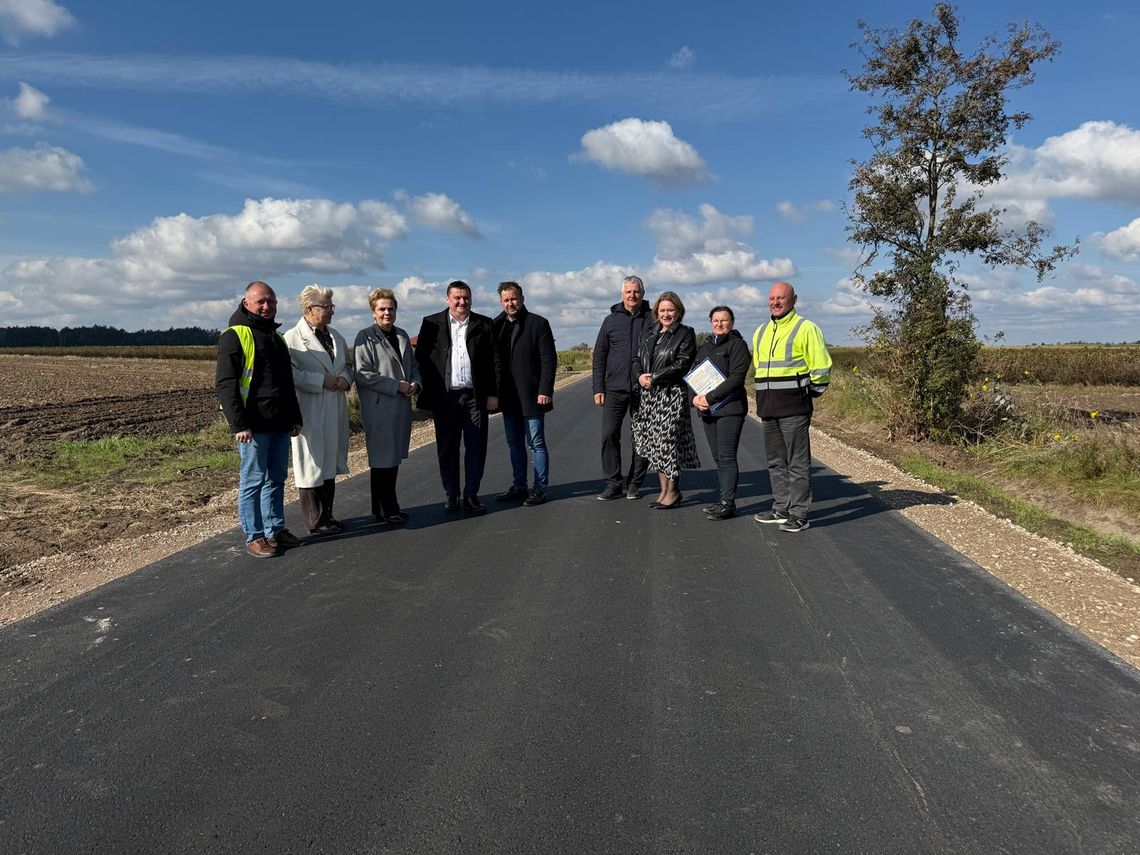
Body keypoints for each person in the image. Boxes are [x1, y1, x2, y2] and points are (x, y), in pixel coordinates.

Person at [215, 281, 304, 558]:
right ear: (246, 303)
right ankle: (254, 536)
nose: (267, 307)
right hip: (253, 426)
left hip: (279, 422)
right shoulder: (235, 335)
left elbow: (286, 384)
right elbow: (226, 383)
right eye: (261, 302)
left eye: (272, 302)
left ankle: (275, 530)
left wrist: (295, 417)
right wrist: (238, 424)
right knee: (253, 480)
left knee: (276, 478)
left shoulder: (276, 339)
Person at [751, 281, 832, 533]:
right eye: (772, 298)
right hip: (768, 407)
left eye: (781, 298)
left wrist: (806, 395)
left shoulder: (806, 328)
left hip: (794, 409)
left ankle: (799, 514)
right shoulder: (761, 331)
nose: (776, 302)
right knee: (776, 461)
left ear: (793, 300)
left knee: (797, 462)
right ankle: (780, 508)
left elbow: (821, 368)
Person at [414, 280, 500, 514]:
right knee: (447, 449)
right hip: (446, 398)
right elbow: (422, 360)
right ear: (448, 299)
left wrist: (492, 393)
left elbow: (494, 362)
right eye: (457, 298)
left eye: (466, 298)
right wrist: (429, 395)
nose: (462, 302)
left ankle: (471, 495)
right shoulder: (431, 324)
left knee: (476, 448)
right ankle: (452, 495)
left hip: (475, 397)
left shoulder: (484, 323)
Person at [284, 285, 353, 535]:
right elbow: (290, 373)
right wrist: (319, 380)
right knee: (311, 464)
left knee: (330, 461)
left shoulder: (336, 337)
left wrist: (345, 379)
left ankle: (329, 514)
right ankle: (315, 520)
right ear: (309, 308)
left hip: (334, 404)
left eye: (331, 306)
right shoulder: (292, 338)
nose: (331, 311)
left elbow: (346, 365)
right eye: (326, 307)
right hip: (311, 407)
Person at [354, 288, 422, 524]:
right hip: (380, 407)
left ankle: (388, 507)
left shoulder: (402, 335)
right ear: (373, 312)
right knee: (382, 460)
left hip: (401, 407)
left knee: (392, 459)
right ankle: (384, 509)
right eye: (382, 309)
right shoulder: (365, 337)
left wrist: (415, 383)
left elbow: (413, 366)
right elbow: (363, 374)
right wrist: (396, 386)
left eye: (390, 308)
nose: (387, 313)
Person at [631, 291, 699, 509]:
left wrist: (655, 378)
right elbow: (636, 359)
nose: (666, 314)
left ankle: (673, 491)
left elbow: (682, 363)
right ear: (656, 312)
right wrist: (640, 376)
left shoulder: (686, 333)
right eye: (662, 310)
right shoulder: (650, 334)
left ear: (678, 311)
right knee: (655, 445)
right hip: (648, 397)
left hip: (671, 395)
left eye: (670, 310)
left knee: (668, 443)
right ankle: (663, 491)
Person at [492, 281, 557, 506]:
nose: (511, 303)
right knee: (514, 443)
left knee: (536, 443)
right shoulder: (496, 325)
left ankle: (540, 488)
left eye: (514, 298)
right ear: (501, 302)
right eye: (506, 300)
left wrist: (545, 390)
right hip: (508, 397)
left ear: (522, 298)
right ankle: (519, 485)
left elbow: (549, 360)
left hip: (532, 395)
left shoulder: (538, 323)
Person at [592, 274, 652, 500]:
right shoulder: (610, 321)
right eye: (628, 292)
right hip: (614, 388)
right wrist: (598, 387)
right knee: (608, 434)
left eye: (636, 291)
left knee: (641, 438)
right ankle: (612, 483)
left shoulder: (652, 318)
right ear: (621, 295)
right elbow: (600, 355)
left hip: (644, 389)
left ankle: (635, 482)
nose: (632, 295)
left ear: (643, 294)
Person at [691, 306, 750, 520]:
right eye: (715, 320)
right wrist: (694, 398)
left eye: (724, 320)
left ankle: (727, 503)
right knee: (718, 458)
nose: (719, 324)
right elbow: (693, 376)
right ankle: (723, 500)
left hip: (730, 410)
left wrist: (709, 397)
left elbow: (736, 379)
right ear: (711, 322)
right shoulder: (704, 347)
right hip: (708, 411)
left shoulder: (738, 345)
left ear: (732, 322)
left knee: (726, 457)